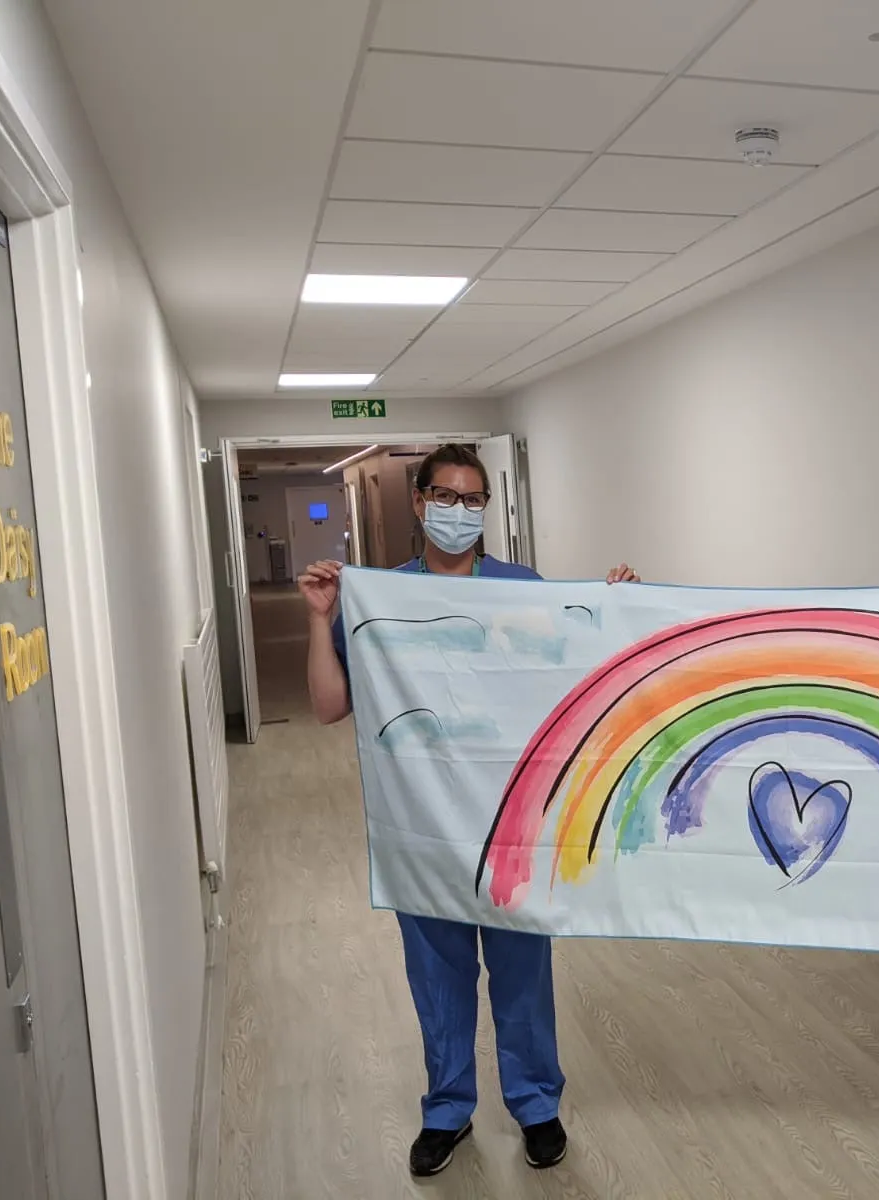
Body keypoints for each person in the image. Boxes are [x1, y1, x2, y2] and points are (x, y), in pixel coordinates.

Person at [298, 443, 640, 1179]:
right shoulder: (380, 597)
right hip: (422, 824)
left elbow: (583, 669)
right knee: (439, 976)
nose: (459, 511)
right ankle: (447, 1110)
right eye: (445, 497)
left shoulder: (522, 588)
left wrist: (619, 607)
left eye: (473, 500)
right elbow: (329, 705)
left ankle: (536, 1104)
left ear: (486, 509)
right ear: (419, 502)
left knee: (522, 972)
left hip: (511, 826)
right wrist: (319, 617)